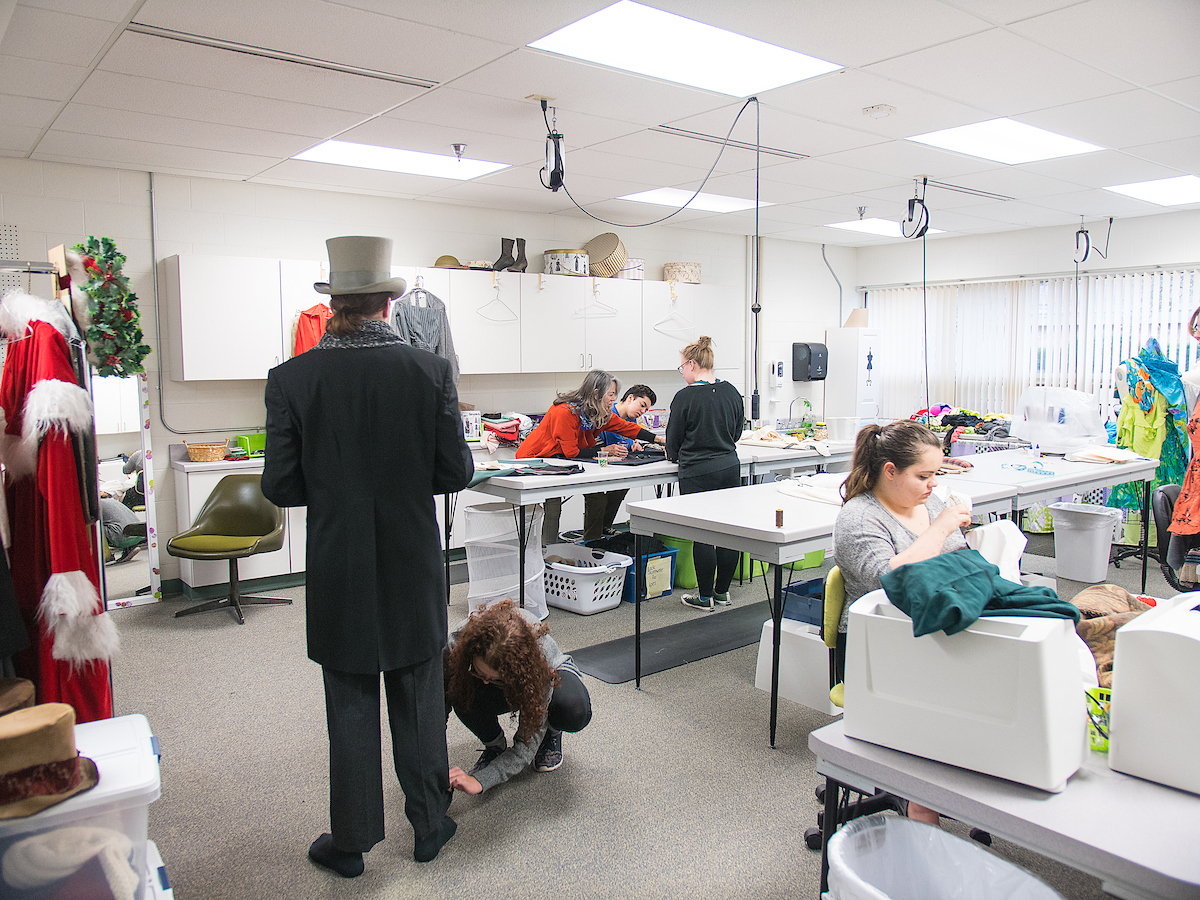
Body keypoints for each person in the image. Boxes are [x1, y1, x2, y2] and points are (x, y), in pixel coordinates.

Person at [262, 236, 473, 878]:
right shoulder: (429, 372)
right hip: (412, 561)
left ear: (334, 303)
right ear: (388, 302)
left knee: (350, 699)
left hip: (338, 566)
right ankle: (431, 824)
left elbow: (281, 486)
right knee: (417, 692)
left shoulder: (291, 379)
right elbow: (456, 472)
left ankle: (351, 844)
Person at [832, 419, 971, 825]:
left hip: (929, 630)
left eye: (936, 475)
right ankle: (920, 803)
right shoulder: (860, 517)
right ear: (889, 470)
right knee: (954, 712)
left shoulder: (925, 505)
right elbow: (887, 580)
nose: (932, 485)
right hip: (881, 647)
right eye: (923, 476)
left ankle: (936, 790)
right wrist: (943, 526)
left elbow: (957, 559)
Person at [445, 600, 591, 794]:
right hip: (505, 680)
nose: (486, 682)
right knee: (459, 691)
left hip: (550, 674)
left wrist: (480, 782)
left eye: (492, 677)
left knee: (573, 709)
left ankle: (552, 731)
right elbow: (437, 706)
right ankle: (494, 745)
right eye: (480, 672)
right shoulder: (458, 642)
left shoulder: (537, 663)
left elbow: (524, 747)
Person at [517, 370, 663, 545]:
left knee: (597, 495)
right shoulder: (564, 411)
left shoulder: (599, 413)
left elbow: (626, 428)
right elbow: (571, 452)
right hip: (538, 459)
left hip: (564, 461)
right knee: (553, 505)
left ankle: (593, 546)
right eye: (610, 395)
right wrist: (605, 451)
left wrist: (659, 439)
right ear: (596, 393)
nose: (613, 400)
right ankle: (549, 552)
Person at [665, 336, 745, 611]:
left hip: (697, 472)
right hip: (728, 467)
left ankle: (704, 597)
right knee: (728, 532)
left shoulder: (685, 397)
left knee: (704, 534)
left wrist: (674, 455)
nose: (682, 372)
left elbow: (672, 441)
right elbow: (736, 433)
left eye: (681, 367)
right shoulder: (732, 392)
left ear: (691, 364)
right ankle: (723, 593)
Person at [581, 384, 658, 541]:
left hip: (611, 467)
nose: (643, 411)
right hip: (591, 463)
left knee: (621, 487)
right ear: (630, 398)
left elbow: (626, 442)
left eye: (646, 409)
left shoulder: (632, 420)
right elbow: (615, 441)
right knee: (598, 500)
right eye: (642, 405)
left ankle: (603, 528)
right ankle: (592, 541)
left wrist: (635, 443)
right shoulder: (609, 414)